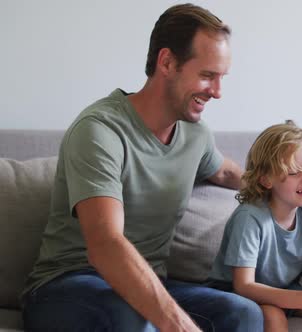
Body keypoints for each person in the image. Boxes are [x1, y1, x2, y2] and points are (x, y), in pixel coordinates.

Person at [22, 4, 263, 332]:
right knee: (136, 315)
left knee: (243, 313)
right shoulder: (100, 130)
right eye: (207, 75)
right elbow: (106, 245)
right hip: (67, 285)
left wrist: (278, 180)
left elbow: (223, 172)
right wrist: (179, 325)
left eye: (221, 78)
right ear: (167, 62)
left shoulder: (196, 134)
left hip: (150, 284)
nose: (218, 92)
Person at [207, 122, 302, 332]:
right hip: (235, 292)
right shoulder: (249, 218)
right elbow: (243, 286)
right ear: (266, 179)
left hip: (286, 290)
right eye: (294, 172)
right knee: (273, 315)